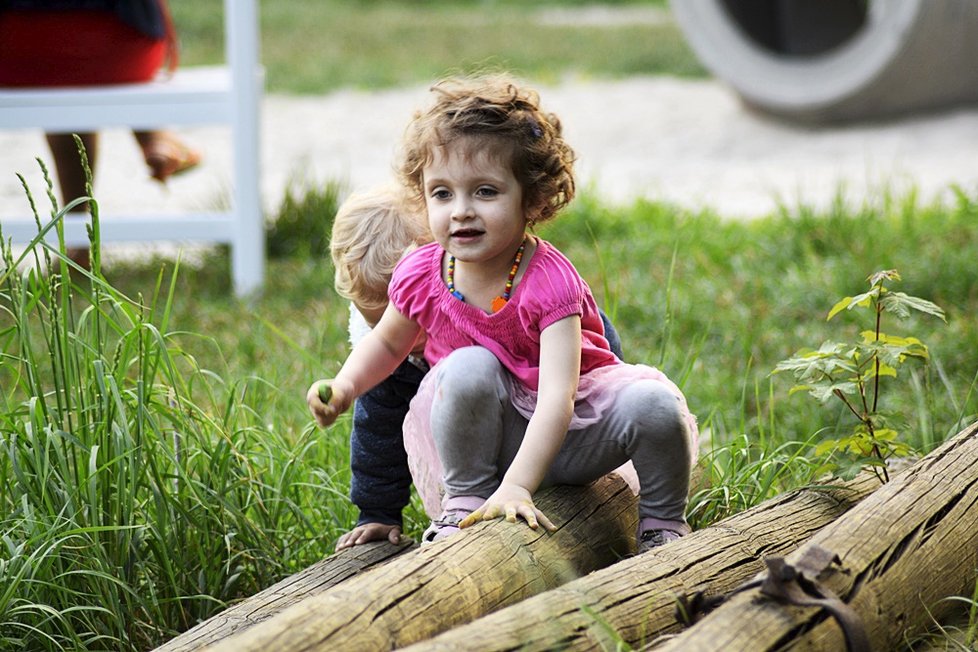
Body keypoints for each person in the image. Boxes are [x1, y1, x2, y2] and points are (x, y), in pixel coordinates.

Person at [309, 73, 697, 554]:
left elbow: (560, 396)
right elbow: (387, 344)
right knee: (467, 366)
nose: (461, 211)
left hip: (575, 435)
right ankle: (465, 501)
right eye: (442, 193)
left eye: (486, 192)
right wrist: (345, 385)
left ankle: (661, 524)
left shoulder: (549, 281)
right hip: (495, 438)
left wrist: (518, 486)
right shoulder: (422, 271)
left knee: (654, 406)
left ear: (532, 198)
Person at [327, 183, 626, 551]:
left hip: (547, 425)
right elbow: (378, 433)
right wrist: (377, 512)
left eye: (413, 320)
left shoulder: (522, 302)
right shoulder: (389, 358)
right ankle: (474, 498)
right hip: (469, 454)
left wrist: (605, 413)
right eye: (380, 322)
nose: (409, 339)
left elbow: (596, 350)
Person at [0, 0, 202, 267]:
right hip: (117, 45)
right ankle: (157, 137)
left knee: (60, 76)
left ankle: (78, 247)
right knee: (86, 71)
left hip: (14, 49)